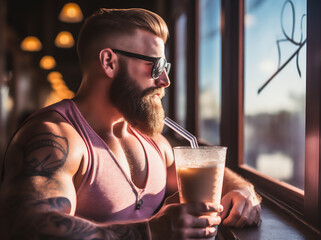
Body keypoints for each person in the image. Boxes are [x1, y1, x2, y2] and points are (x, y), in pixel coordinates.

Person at [0, 8, 261, 239]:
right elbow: (23, 226)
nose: (165, 81)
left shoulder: (153, 141)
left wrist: (244, 192)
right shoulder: (57, 136)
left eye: (165, 66)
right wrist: (150, 232)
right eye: (156, 65)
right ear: (109, 62)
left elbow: (207, 171)